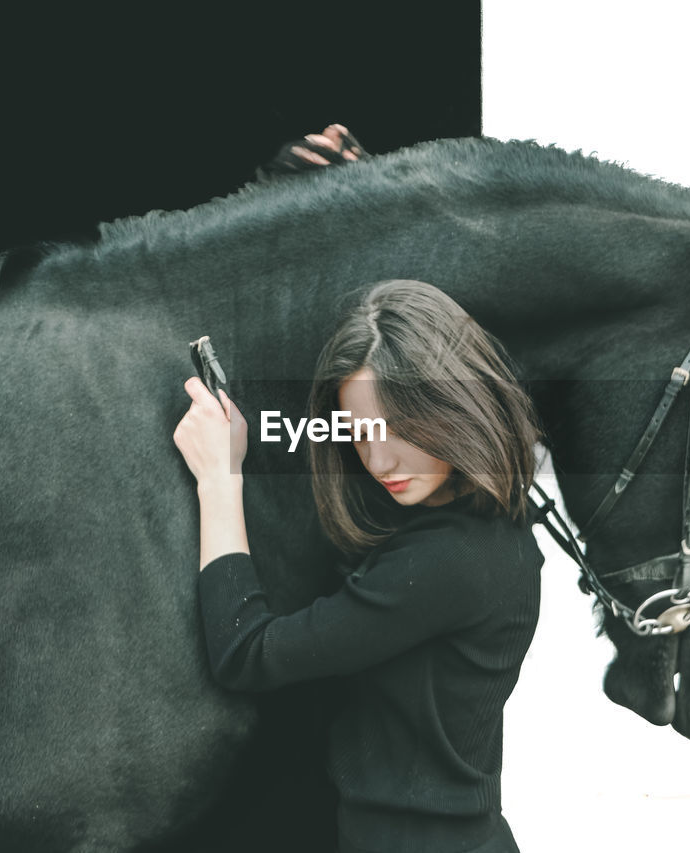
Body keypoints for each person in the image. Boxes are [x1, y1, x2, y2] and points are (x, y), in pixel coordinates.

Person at [173, 276, 545, 853]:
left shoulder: (448, 565)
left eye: (401, 429)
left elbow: (247, 655)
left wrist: (220, 480)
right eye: (362, 430)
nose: (379, 459)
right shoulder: (497, 530)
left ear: (455, 403)